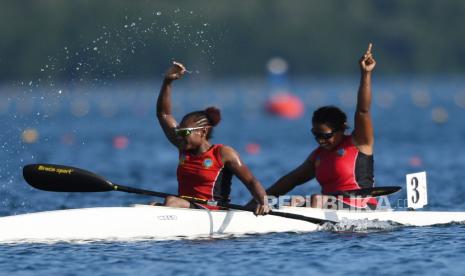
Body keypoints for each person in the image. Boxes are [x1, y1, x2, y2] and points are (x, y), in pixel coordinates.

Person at [263, 43, 378, 210]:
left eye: (326, 136)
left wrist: (365, 74)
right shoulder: (317, 156)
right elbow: (290, 180)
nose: (321, 141)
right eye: (316, 135)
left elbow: (363, 111)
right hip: (330, 210)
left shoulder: (360, 142)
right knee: (292, 202)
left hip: (363, 208)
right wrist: (258, 202)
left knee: (317, 199)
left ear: (343, 128)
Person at [156, 61, 270, 215]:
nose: (179, 137)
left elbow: (251, 181)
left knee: (170, 201)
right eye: (178, 133)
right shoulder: (183, 145)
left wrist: (263, 202)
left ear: (202, 132)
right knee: (152, 205)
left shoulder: (223, 153)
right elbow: (164, 114)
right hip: (187, 208)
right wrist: (167, 81)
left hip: (213, 211)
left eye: (184, 133)